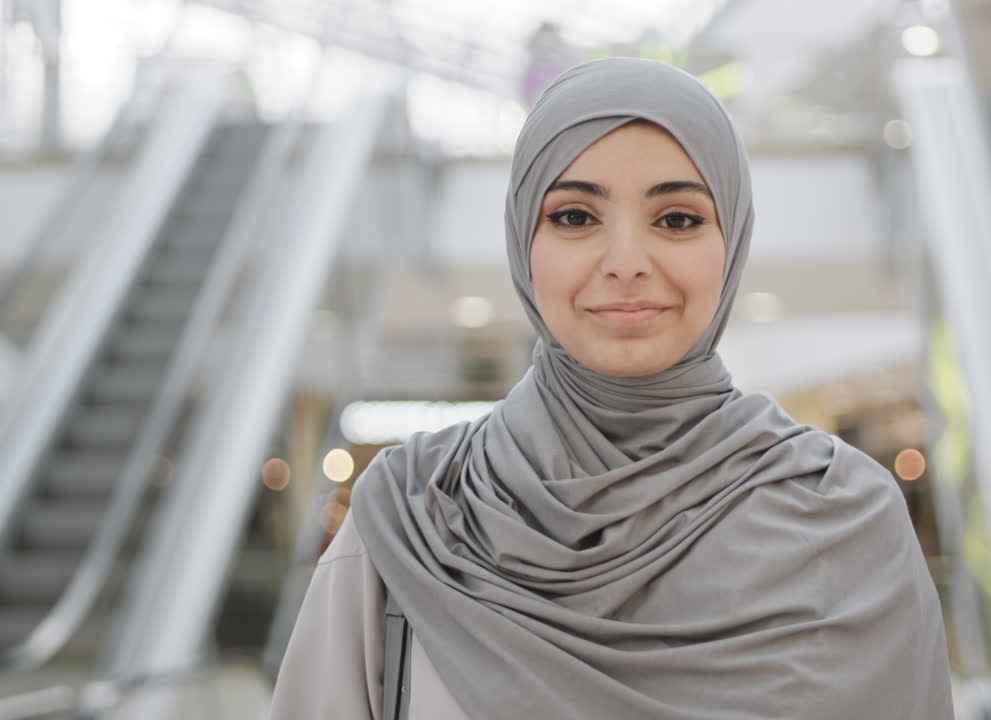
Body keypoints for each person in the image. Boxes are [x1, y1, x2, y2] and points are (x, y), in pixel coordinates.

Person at [270, 57, 953, 720]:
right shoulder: (413, 514)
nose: (626, 263)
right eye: (574, 217)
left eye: (678, 219)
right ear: (522, 242)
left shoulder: (845, 521)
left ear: (732, 240)